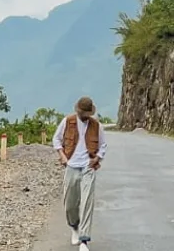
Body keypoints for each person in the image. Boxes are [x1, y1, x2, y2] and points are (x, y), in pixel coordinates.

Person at [52, 96, 106, 249]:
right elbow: (56, 140)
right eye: (83, 113)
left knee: (87, 201)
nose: (85, 116)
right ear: (79, 111)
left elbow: (103, 145)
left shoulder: (96, 126)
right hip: (71, 165)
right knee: (70, 204)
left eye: (87, 113)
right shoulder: (68, 121)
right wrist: (62, 156)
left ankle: (84, 239)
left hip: (88, 167)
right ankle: (74, 226)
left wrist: (97, 158)